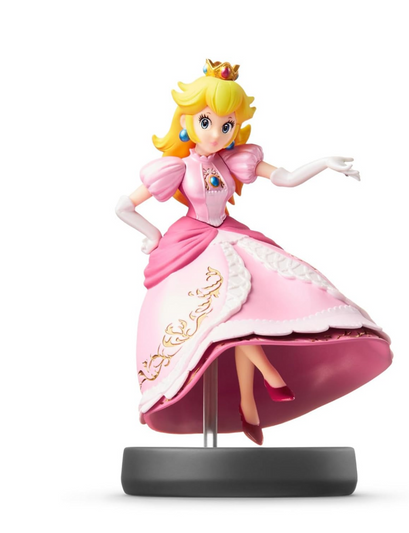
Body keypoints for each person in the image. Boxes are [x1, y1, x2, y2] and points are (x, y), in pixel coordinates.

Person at [116, 59, 392, 445]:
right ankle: (268, 377)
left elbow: (286, 178)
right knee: (229, 319)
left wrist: (323, 163)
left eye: (226, 125)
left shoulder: (233, 161)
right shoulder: (175, 168)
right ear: (187, 121)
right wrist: (153, 235)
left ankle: (249, 402)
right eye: (207, 122)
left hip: (231, 234)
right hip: (193, 243)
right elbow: (123, 207)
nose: (216, 134)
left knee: (250, 316)